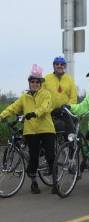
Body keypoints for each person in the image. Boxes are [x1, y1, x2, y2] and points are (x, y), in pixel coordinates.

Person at [0, 64, 56, 194]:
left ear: (41, 83)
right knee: (33, 157)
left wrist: (35, 113)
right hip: (31, 131)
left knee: (50, 155)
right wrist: (2, 116)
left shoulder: (46, 94)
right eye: (32, 81)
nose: (35, 84)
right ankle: (34, 182)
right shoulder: (24, 97)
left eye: (37, 81)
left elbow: (45, 107)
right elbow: (14, 107)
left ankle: (55, 181)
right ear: (29, 82)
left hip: (46, 129)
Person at [43, 56, 77, 136]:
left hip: (64, 111)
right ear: (53, 66)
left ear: (64, 66)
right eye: (57, 64)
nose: (59, 66)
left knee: (70, 132)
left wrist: (68, 107)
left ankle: (71, 145)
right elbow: (42, 95)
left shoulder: (69, 79)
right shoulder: (46, 79)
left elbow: (73, 96)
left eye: (62, 64)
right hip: (50, 112)